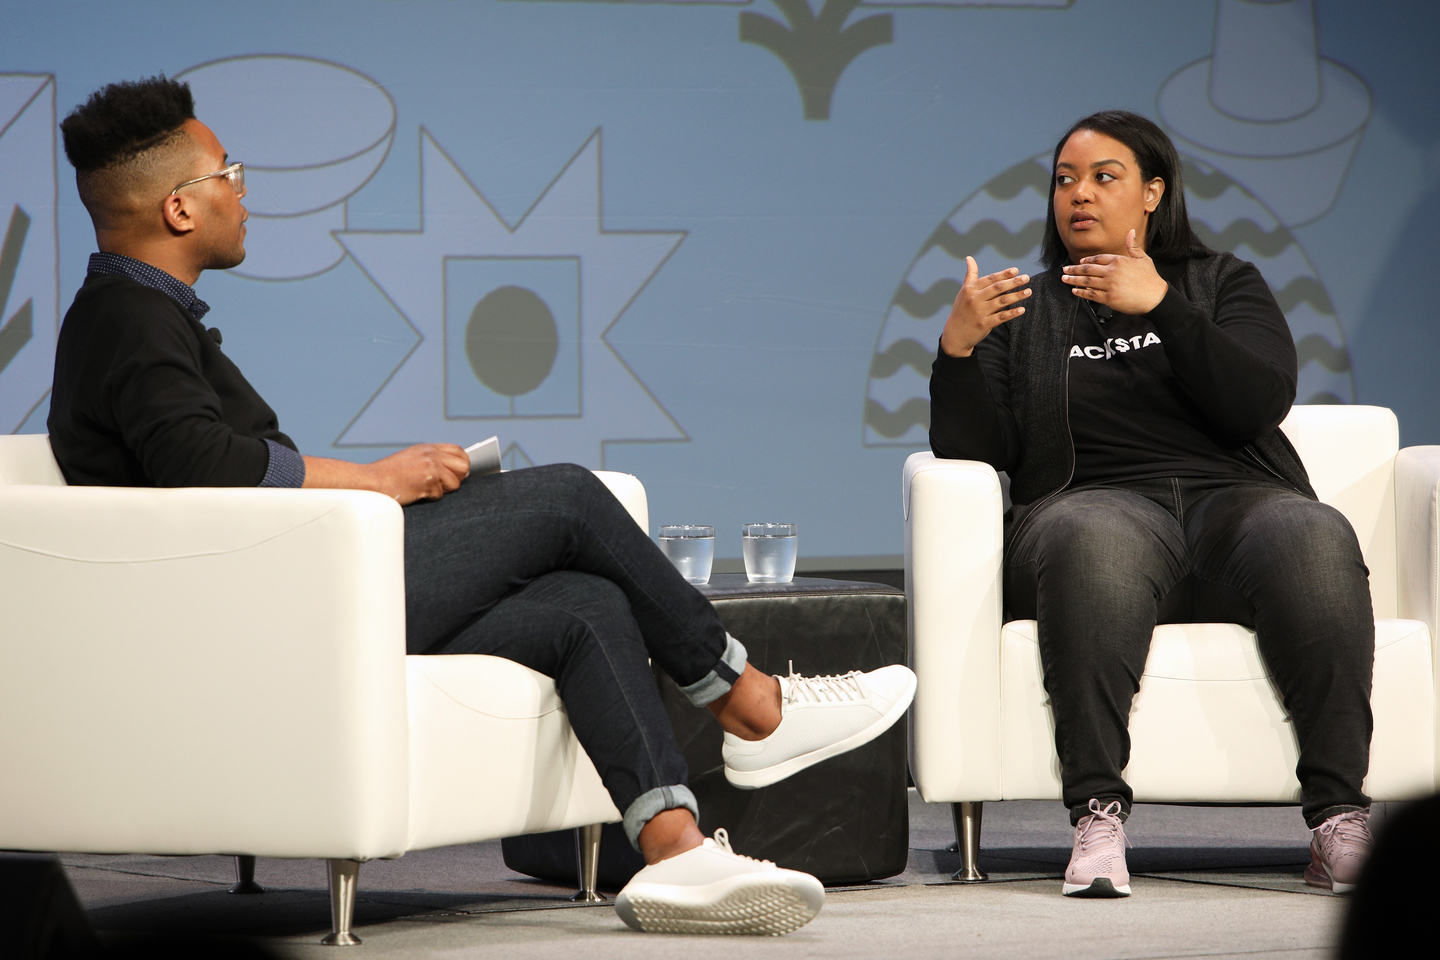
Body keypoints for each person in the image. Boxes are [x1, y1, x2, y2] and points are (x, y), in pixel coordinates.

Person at [49, 75, 917, 936]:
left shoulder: (138, 314)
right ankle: (750, 704)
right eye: (228, 173)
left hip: (289, 590)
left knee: (584, 606)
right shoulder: (128, 318)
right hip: (276, 613)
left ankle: (676, 849)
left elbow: (204, 463)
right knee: (570, 497)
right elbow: (202, 462)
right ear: (178, 209)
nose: (245, 191)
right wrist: (380, 480)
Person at [928, 110, 1375, 899]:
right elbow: (978, 455)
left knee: (1311, 533)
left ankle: (1339, 818)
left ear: (1152, 194)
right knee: (1094, 536)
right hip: (1093, 504)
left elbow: (1257, 401)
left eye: (1104, 177)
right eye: (1065, 179)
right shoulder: (1023, 312)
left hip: (1235, 504)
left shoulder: (1220, 282)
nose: (1079, 195)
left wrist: (1163, 305)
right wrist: (959, 352)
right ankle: (1097, 813)